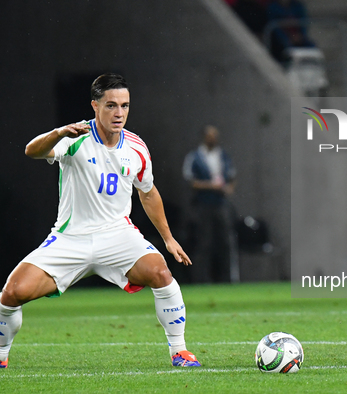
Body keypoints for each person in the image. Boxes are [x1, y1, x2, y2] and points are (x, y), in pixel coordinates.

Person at [0, 74, 201, 369]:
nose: (119, 113)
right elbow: (32, 151)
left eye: (125, 105)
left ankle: (180, 351)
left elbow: (148, 192)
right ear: (95, 106)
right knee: (12, 293)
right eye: (111, 105)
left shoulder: (137, 147)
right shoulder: (74, 138)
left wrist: (168, 238)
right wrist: (58, 133)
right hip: (71, 238)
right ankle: (2, 355)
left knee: (161, 274)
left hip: (118, 235)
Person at [183, 126, 236, 283]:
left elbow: (232, 177)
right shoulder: (195, 157)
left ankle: (226, 279)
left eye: (215, 136)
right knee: (204, 242)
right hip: (203, 203)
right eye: (210, 136)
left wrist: (228, 189)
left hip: (221, 203)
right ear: (204, 137)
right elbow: (191, 182)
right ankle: (201, 279)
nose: (213, 139)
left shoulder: (223, 155)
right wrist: (210, 186)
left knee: (225, 242)